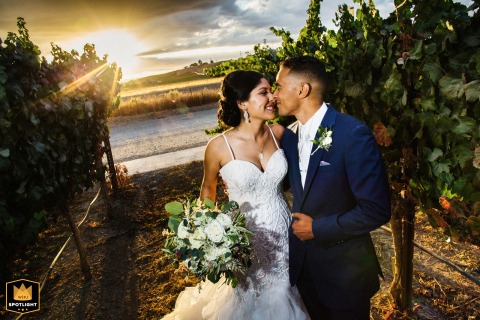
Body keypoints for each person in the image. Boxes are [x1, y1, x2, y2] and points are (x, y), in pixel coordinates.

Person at [163, 70, 309, 320]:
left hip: (286, 235)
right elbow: (208, 190)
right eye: (263, 92)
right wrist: (205, 236)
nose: (272, 96)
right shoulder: (219, 147)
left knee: (290, 294)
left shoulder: (280, 133)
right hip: (246, 243)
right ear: (242, 103)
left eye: (271, 90)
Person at [274, 55, 391, 319]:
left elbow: (376, 210)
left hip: (345, 275)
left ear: (303, 89)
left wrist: (317, 229)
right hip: (305, 272)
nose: (275, 94)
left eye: (279, 86)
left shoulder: (352, 134)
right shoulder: (289, 136)